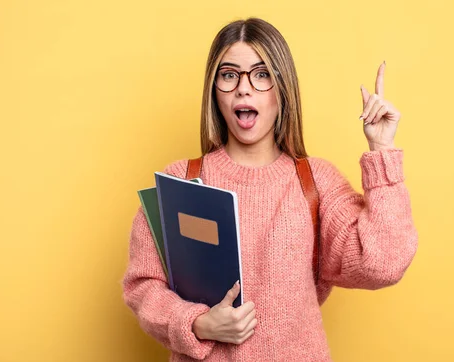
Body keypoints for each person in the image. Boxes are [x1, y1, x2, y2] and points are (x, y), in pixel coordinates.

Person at [123, 17, 418, 362]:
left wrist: (382, 151)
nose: (244, 88)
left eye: (261, 74)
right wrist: (198, 323)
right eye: (229, 75)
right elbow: (143, 287)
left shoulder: (317, 183)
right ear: (214, 89)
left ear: (283, 88)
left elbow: (383, 264)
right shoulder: (180, 182)